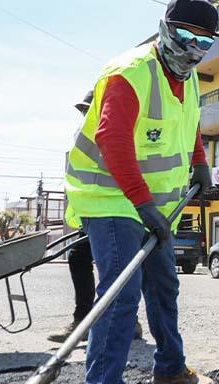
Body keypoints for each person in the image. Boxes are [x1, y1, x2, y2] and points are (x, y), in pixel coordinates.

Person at [63, 1, 219, 384]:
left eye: (204, 43)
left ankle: (170, 366)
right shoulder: (129, 71)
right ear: (166, 30)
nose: (194, 50)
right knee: (120, 290)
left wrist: (200, 161)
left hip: (153, 204)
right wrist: (141, 202)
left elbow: (188, 127)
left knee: (164, 282)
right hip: (110, 196)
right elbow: (111, 139)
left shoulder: (186, 79)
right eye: (187, 38)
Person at [49, 91, 143, 344]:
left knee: (115, 266)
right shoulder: (85, 138)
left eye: (88, 110)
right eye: (84, 111)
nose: (85, 115)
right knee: (79, 256)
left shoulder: (120, 131)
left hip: (119, 211)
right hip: (94, 213)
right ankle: (83, 318)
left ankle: (128, 322)